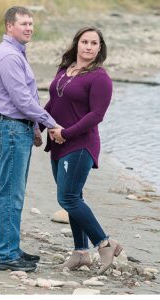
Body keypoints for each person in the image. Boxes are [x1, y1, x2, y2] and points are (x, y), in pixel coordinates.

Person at [0, 6, 63, 272]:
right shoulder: (8, 56)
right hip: (9, 130)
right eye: (24, 24)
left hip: (16, 129)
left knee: (14, 194)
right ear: (9, 26)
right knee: (10, 195)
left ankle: (11, 248)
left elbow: (19, 100)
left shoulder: (15, 53)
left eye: (31, 23)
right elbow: (21, 99)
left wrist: (34, 128)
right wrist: (50, 123)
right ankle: (4, 255)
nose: (29, 28)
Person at [42, 26, 122, 273]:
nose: (88, 46)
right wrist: (39, 123)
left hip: (80, 144)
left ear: (100, 48)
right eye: (84, 41)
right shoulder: (64, 71)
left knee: (67, 197)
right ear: (77, 44)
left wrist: (65, 133)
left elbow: (96, 115)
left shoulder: (100, 78)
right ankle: (80, 253)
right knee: (73, 198)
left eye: (94, 43)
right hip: (58, 143)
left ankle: (104, 242)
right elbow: (53, 102)